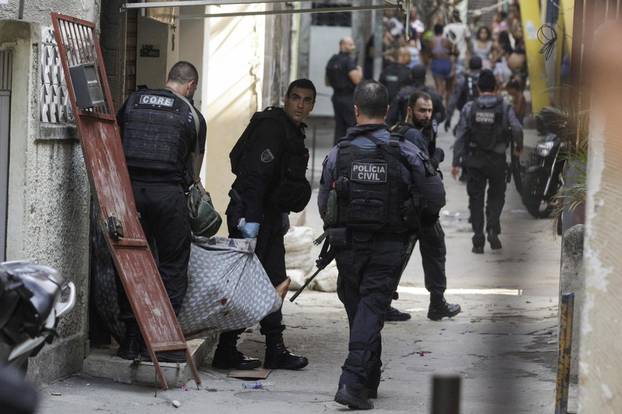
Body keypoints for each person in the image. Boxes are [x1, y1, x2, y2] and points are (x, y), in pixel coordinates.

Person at [319, 81, 446, 409]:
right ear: (387, 112)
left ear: (356, 110)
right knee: (371, 308)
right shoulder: (404, 150)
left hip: (347, 245)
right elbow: (435, 195)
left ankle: (367, 377)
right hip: (389, 243)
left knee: (361, 308)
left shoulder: (338, 152)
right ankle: (351, 381)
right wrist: (417, 221)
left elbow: (323, 204)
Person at [211, 79, 317, 371]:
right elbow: (255, 177)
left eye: (307, 100)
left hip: (268, 217)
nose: (300, 104)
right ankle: (229, 349)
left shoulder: (291, 131)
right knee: (250, 284)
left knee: (274, 281)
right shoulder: (273, 127)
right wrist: (251, 225)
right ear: (286, 99)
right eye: (295, 98)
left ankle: (269, 348)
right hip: (252, 215)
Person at [116, 61, 205, 363]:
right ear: (191, 86)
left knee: (130, 263)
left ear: (169, 79)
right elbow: (194, 172)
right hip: (168, 195)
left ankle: (130, 339)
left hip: (130, 195)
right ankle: (161, 341)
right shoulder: (191, 115)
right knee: (171, 267)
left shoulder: (132, 102)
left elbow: (114, 143)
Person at [391, 91, 461, 321]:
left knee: (407, 254)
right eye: (422, 110)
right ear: (410, 110)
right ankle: (437, 303)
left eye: (430, 110)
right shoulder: (412, 135)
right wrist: (437, 157)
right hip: (417, 207)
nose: (427, 115)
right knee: (432, 252)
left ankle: (385, 302)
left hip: (412, 205)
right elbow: (423, 169)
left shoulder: (407, 130)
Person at [451, 70, 523, 254]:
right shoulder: (505, 106)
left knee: (475, 199)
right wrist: (518, 147)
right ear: (497, 87)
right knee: (496, 196)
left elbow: (460, 135)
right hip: (497, 160)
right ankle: (492, 228)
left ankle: (478, 240)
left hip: (474, 160)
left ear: (477, 88)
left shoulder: (469, 107)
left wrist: (456, 162)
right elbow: (516, 128)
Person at [326, 37, 363, 144]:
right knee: (351, 126)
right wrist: (359, 70)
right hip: (348, 98)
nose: (353, 47)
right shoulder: (349, 61)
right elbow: (357, 80)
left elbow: (327, 81)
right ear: (342, 45)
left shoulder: (332, 60)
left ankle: (337, 151)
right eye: (350, 45)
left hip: (336, 97)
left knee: (339, 127)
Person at [445, 55, 483, 133]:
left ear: (469, 66)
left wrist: (448, 118)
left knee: (459, 135)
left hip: (466, 113)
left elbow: (453, 101)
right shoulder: (485, 78)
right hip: (483, 114)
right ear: (481, 66)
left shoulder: (462, 80)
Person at [429, 23, 454, 106]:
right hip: (446, 63)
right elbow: (455, 51)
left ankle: (438, 108)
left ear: (434, 31)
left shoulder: (431, 41)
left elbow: (429, 54)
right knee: (449, 89)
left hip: (436, 64)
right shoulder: (447, 40)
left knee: (439, 88)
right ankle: (447, 108)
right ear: (442, 31)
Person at [444, 10, 471, 76]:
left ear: (451, 17)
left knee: (451, 75)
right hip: (461, 54)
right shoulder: (464, 27)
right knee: (460, 75)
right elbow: (468, 40)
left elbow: (444, 41)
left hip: (450, 55)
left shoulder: (447, 28)